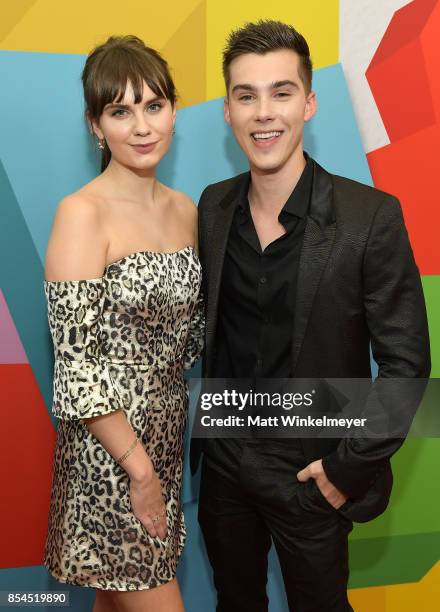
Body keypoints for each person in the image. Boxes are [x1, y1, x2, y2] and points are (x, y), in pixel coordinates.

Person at [192, 20, 431, 612]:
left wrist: (345, 470)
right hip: (224, 465)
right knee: (234, 602)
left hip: (311, 472)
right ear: (227, 111)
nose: (263, 113)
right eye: (246, 96)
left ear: (310, 102)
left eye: (281, 91)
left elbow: (407, 364)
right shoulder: (213, 208)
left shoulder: (368, 216)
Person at [43, 35, 203, 612]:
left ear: (173, 110)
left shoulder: (186, 211)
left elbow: (192, 339)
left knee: (116, 602)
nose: (141, 126)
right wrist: (139, 470)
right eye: (120, 110)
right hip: (110, 451)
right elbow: (78, 368)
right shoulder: (81, 214)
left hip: (164, 437)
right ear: (96, 124)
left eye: (153, 105)